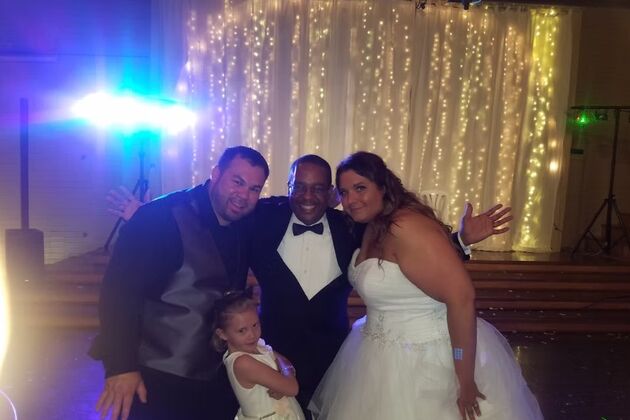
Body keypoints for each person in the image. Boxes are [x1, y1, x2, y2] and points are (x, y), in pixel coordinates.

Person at [106, 154, 513, 418]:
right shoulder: (260, 220)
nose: (307, 196)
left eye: (320, 188)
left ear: (331, 194)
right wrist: (151, 218)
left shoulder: (353, 227)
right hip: (270, 354)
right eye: (299, 186)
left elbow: (412, 260)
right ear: (286, 188)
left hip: (338, 360)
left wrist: (460, 241)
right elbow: (209, 226)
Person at [309, 151, 543, 420]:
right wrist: (461, 240)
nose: (351, 200)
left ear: (383, 187)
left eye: (360, 188)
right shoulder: (371, 223)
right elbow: (415, 269)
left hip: (427, 360)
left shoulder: (405, 226)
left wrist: (464, 378)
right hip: (375, 353)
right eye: (344, 192)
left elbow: (462, 298)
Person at [90, 146, 270, 420]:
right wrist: (121, 367)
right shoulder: (160, 218)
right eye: (237, 182)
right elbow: (119, 295)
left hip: (217, 378)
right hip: (158, 377)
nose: (244, 195)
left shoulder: (245, 220)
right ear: (216, 174)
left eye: (254, 189)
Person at [213, 289, 305, 420]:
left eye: (255, 325)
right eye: (242, 330)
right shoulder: (243, 363)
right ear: (222, 334)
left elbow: (284, 361)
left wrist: (286, 373)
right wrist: (286, 374)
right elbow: (293, 388)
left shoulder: (258, 346)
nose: (252, 334)